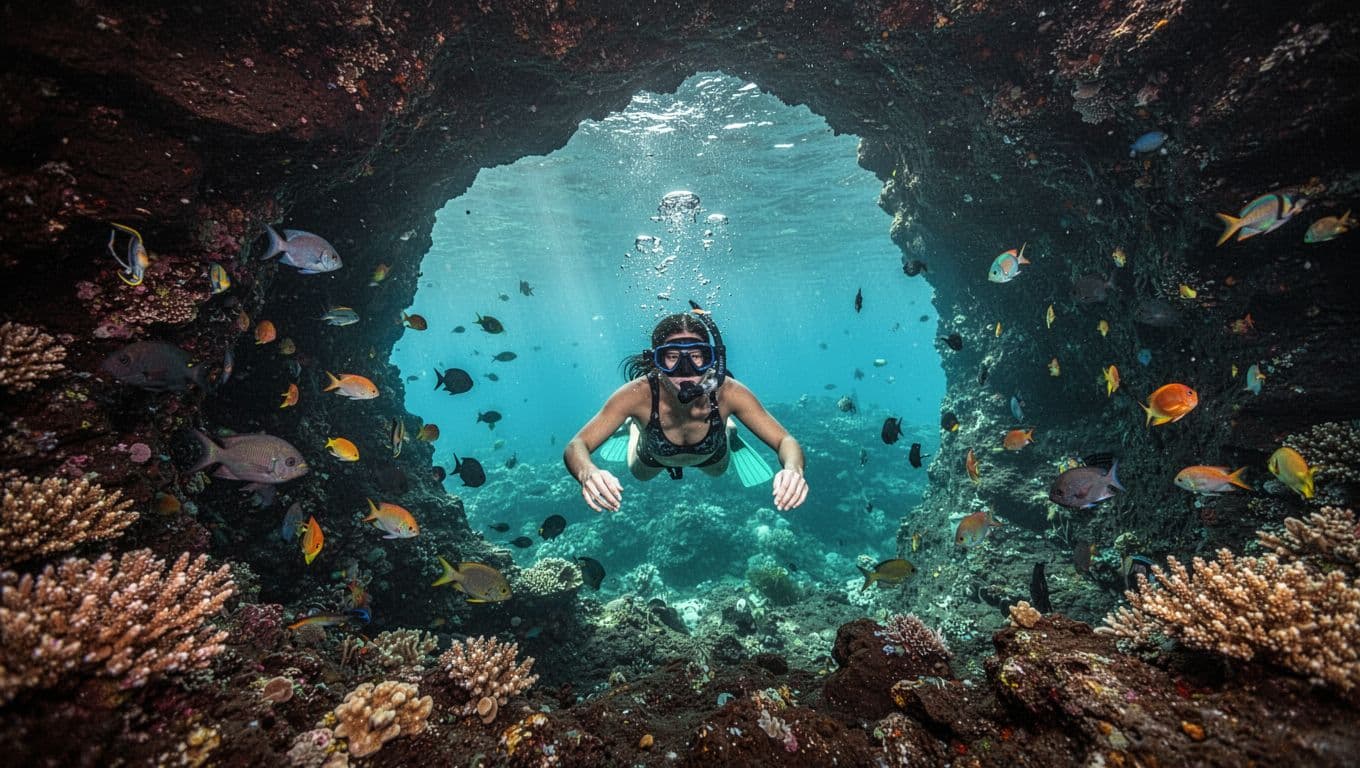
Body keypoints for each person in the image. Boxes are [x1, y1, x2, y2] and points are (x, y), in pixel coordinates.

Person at [564, 309, 809, 512]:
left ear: (711, 358)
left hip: (712, 457)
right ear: (655, 362)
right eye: (671, 357)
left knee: (717, 472)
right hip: (652, 457)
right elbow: (577, 445)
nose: (686, 369)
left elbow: (785, 440)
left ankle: (727, 430)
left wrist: (793, 470)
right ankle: (635, 427)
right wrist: (588, 472)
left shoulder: (728, 392)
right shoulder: (636, 395)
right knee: (641, 475)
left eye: (695, 356)